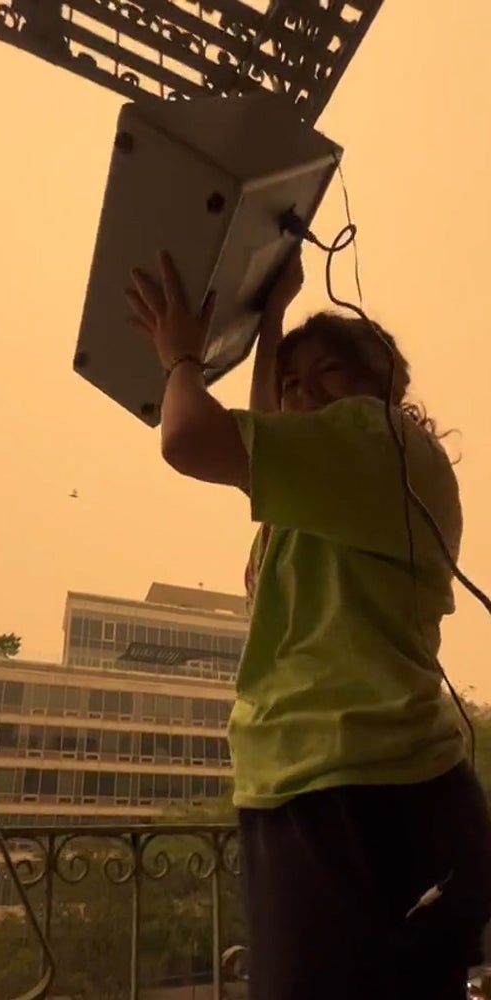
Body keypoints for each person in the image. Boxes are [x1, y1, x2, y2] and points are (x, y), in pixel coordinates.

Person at [126, 249, 491, 1000]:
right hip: (324, 787)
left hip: (364, 788)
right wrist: (271, 319)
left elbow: (190, 437)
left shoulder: (374, 440)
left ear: (382, 381)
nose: (304, 394)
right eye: (295, 383)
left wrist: (182, 357)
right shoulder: (335, 483)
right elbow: (267, 422)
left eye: (330, 373)